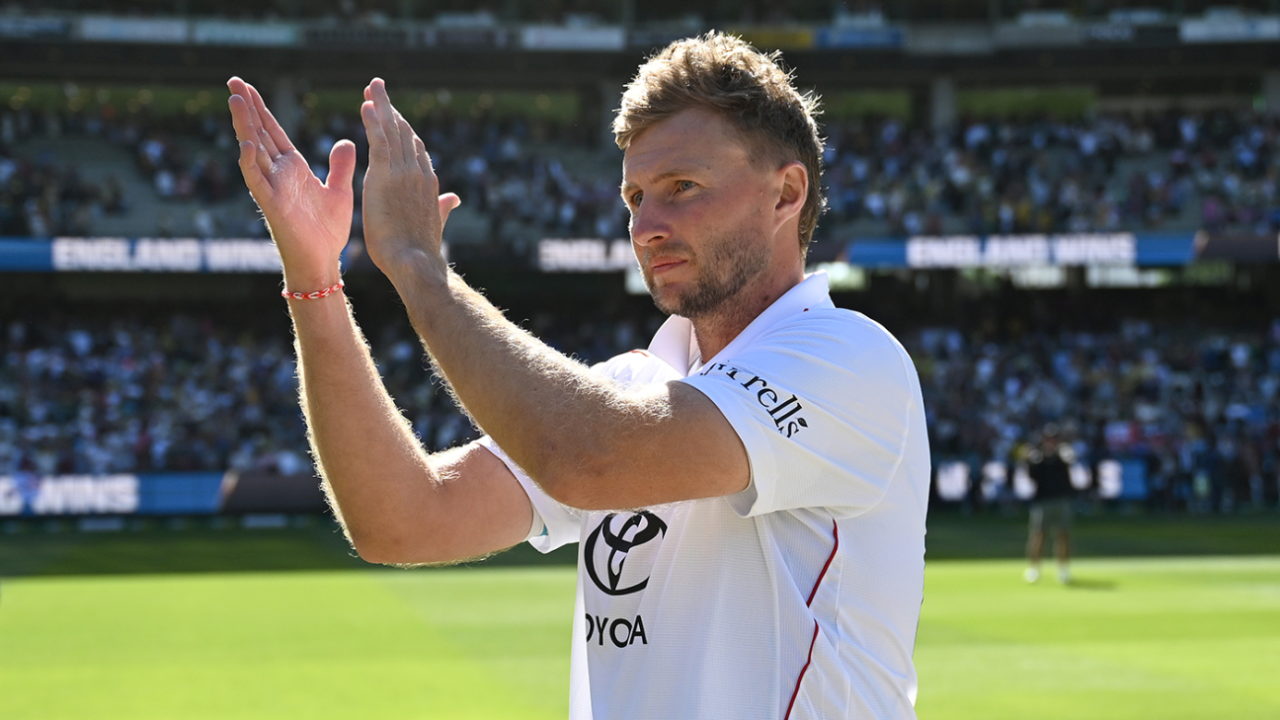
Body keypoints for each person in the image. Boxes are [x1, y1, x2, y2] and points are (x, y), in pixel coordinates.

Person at [228, 32, 930, 720]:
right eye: (635, 198)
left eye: (682, 187)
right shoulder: (631, 387)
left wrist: (420, 269)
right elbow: (403, 521)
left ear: (786, 194)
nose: (647, 226)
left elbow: (589, 457)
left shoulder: (850, 360)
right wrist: (315, 281)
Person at [1023, 425, 1076, 584]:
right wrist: (1029, 459)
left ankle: (1063, 569)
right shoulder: (1037, 456)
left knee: (1063, 534)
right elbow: (1032, 475)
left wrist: (1059, 454)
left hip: (1061, 499)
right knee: (1039, 534)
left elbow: (1068, 464)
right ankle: (1034, 568)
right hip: (1043, 501)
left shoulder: (1063, 454)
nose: (1050, 441)